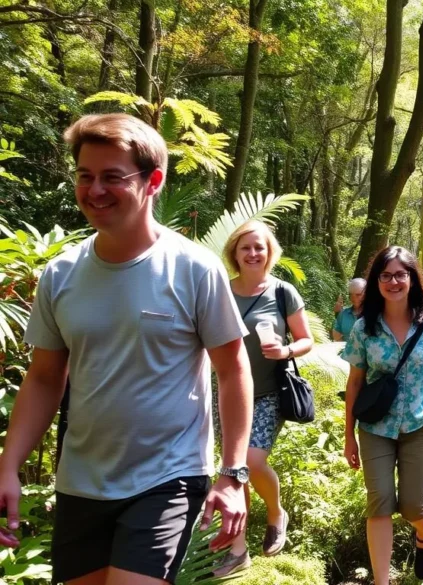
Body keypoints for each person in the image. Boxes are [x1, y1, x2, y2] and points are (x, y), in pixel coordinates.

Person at [0, 114, 253, 585]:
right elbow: (43, 377)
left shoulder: (194, 269)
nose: (94, 190)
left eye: (112, 177)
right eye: (85, 176)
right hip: (81, 480)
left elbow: (233, 369)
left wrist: (233, 474)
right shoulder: (61, 275)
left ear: (152, 181)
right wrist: (8, 467)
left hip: (167, 476)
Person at [342, 246, 423, 584]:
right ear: (376, 281)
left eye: (400, 274)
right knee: (379, 501)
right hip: (376, 425)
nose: (393, 281)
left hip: (422, 423)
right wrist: (348, 435)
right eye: (385, 275)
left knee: (412, 506)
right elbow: (354, 382)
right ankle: (382, 580)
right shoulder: (364, 328)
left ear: (411, 278)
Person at [214, 220, 314, 576]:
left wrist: (285, 350)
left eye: (260, 247)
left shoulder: (283, 292)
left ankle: (275, 512)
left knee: (252, 462)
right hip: (225, 393)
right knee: (234, 468)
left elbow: (306, 339)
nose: (253, 253)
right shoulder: (221, 292)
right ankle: (237, 550)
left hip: (269, 393)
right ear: (235, 254)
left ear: (269, 253)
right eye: (246, 248)